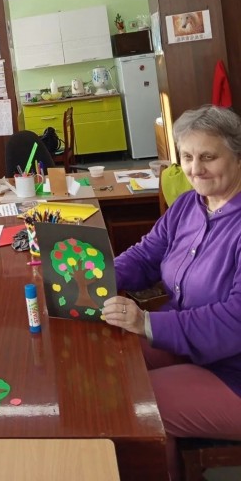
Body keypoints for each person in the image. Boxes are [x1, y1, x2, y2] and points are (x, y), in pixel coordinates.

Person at [103, 105, 241, 480]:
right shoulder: (188, 205)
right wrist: (99, 278)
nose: (195, 169)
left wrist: (147, 323)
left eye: (208, 157)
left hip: (232, 370)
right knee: (110, 358)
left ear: (237, 156)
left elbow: (234, 323)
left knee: (137, 402)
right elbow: (146, 255)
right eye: (187, 157)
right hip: (191, 344)